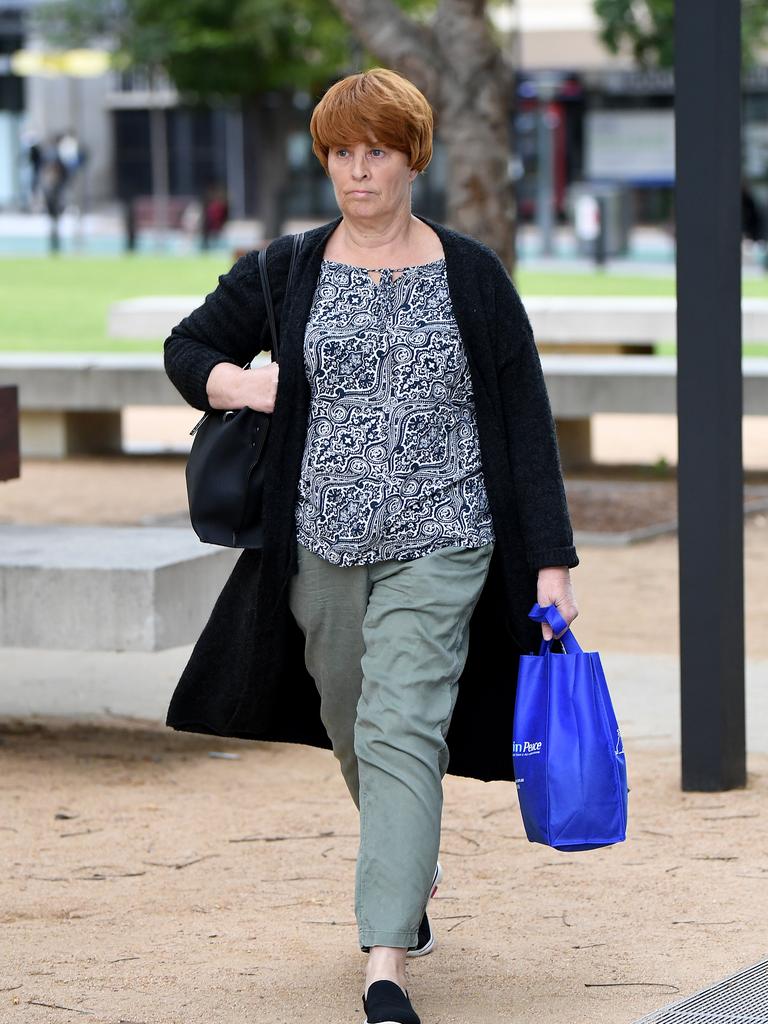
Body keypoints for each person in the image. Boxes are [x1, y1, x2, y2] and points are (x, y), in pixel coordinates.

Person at [163, 68, 579, 1024]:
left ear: (411, 158)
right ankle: (409, 861)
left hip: (445, 539)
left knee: (403, 726)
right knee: (355, 725)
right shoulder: (288, 268)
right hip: (320, 547)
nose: (359, 171)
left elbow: (522, 417)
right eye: (343, 153)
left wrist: (552, 559)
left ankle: (385, 962)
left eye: (378, 152)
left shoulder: (470, 274)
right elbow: (190, 347)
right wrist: (246, 384)